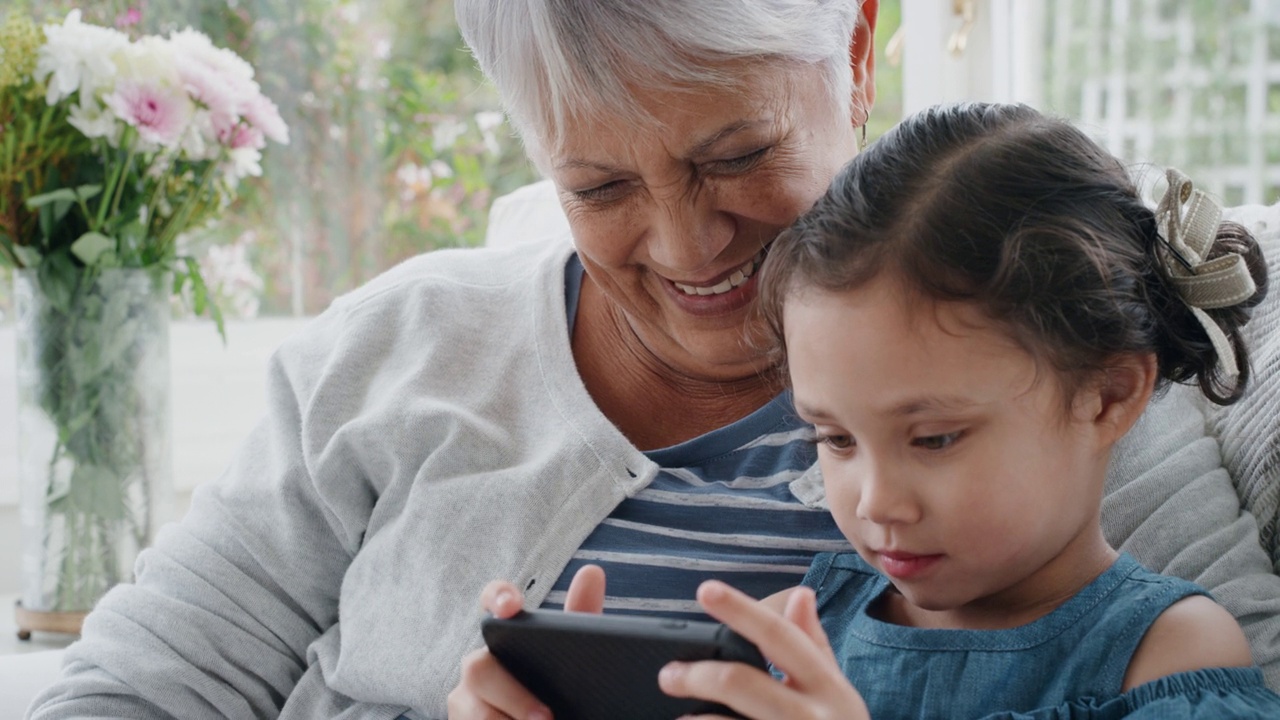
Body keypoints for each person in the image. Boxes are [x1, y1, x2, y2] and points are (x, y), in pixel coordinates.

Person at [23, 3, 1280, 719]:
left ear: (853, 48)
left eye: (734, 156)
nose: (685, 244)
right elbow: (133, 693)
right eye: (599, 183)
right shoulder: (392, 352)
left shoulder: (1053, 365)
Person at [652, 102, 1280, 718]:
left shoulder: (1171, 654)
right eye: (836, 439)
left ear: (1108, 396)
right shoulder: (796, 632)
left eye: (933, 440)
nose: (876, 503)